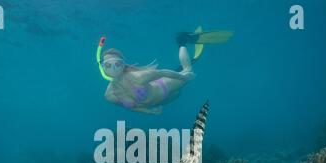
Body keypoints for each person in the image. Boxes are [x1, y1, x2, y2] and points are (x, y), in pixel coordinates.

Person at [97, 27, 233, 114]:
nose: (113, 68)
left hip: (164, 87)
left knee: (187, 71)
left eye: (118, 64)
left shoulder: (137, 77)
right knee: (178, 94)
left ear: (123, 65)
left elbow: (162, 72)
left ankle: (183, 40)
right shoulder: (109, 96)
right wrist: (149, 112)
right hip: (162, 102)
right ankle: (181, 70)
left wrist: (185, 78)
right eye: (108, 65)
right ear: (102, 68)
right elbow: (132, 107)